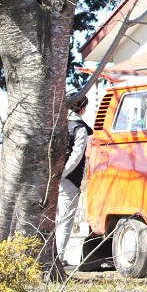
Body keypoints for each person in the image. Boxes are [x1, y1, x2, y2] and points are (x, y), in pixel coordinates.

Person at [56, 92, 93, 265]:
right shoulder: (79, 127)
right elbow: (77, 155)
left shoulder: (58, 123)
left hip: (50, 178)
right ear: (83, 108)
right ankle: (58, 258)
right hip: (68, 179)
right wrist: (63, 173)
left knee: (52, 219)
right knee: (65, 220)